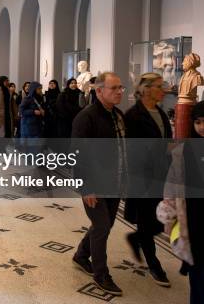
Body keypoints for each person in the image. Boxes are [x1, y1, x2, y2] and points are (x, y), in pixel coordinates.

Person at [71, 72, 127, 296]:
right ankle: (101, 274)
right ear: (99, 91)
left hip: (115, 181)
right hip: (94, 182)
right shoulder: (86, 117)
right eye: (114, 88)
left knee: (105, 224)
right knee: (102, 226)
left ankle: (82, 255)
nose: (119, 92)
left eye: (121, 87)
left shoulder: (117, 115)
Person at [124, 72, 172, 287]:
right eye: (160, 86)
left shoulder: (160, 113)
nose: (164, 89)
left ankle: (136, 238)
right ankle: (154, 264)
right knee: (147, 219)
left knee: (158, 219)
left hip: (160, 174)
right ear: (147, 89)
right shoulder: (133, 116)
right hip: (142, 176)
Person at [157, 101, 204, 303]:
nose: (202, 127)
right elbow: (173, 185)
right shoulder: (185, 151)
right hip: (195, 223)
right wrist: (169, 214)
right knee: (198, 279)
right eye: (198, 122)